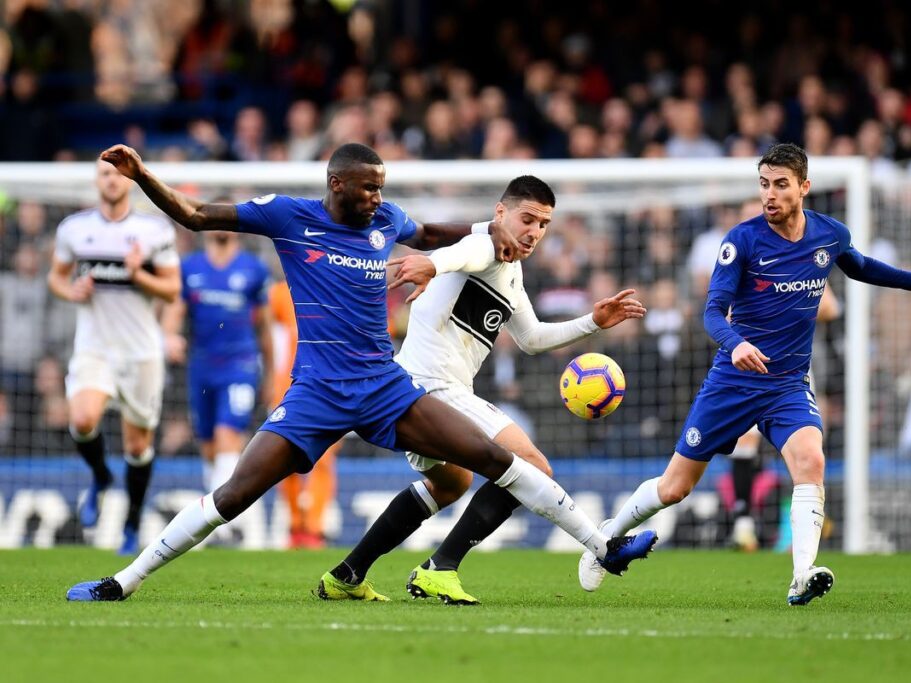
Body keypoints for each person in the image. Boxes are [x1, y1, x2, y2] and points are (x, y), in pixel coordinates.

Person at [67, 142, 656, 602]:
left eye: (383, 189)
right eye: (369, 189)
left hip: (385, 388)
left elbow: (429, 234)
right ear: (336, 184)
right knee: (233, 495)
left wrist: (492, 231)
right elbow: (196, 216)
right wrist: (143, 177)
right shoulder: (289, 217)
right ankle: (125, 580)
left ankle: (602, 546)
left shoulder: (388, 221)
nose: (378, 199)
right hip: (316, 393)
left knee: (496, 462)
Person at [577, 143, 911, 605]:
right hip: (733, 381)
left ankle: (801, 575)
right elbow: (711, 313)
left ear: (804, 187)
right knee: (674, 488)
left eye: (780, 184)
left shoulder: (829, 235)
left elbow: (864, 268)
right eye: (764, 184)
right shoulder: (741, 241)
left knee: (812, 461)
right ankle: (605, 539)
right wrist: (737, 343)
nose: (770, 194)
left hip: (787, 383)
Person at [319, 175, 646, 604]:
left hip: (415, 388)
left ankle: (347, 574)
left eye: (544, 224)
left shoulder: (511, 268)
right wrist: (433, 264)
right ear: (500, 213)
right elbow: (465, 251)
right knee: (533, 465)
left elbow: (530, 338)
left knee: (451, 484)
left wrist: (592, 323)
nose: (534, 232)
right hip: (434, 388)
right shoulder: (485, 244)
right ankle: (444, 568)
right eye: (527, 219)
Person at [47, 158, 181, 555]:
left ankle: (133, 519)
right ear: (97, 181)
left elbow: (172, 290)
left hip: (141, 351)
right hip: (94, 347)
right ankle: (102, 476)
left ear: (129, 181)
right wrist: (70, 291)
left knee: (138, 446)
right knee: (83, 419)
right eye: (104, 173)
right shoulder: (74, 229)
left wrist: (139, 274)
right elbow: (56, 276)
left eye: (117, 173)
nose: (111, 179)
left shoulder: (153, 231)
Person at [162, 226, 275, 543]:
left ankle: (217, 523)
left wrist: (270, 376)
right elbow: (175, 308)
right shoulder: (190, 266)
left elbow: (265, 327)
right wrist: (169, 336)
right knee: (209, 447)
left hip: (239, 365)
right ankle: (217, 511)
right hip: (201, 367)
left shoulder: (253, 269)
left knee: (229, 435)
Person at [268, 279, 339, 550]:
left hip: (330, 385)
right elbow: (266, 329)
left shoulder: (337, 285)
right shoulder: (279, 293)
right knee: (284, 458)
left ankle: (314, 528)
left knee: (323, 459)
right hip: (288, 386)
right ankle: (295, 525)